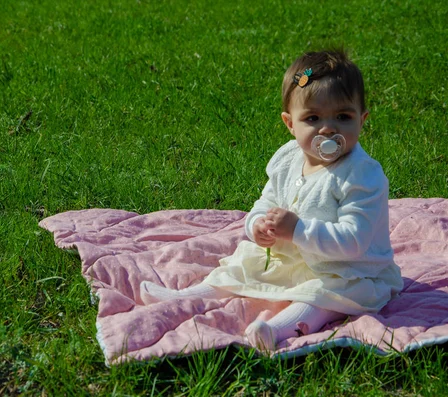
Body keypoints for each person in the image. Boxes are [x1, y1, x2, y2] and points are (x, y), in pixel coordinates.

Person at [140, 50, 403, 351]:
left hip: (349, 270)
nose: (328, 129)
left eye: (343, 117)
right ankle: (193, 296)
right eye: (313, 118)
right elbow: (266, 201)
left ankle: (277, 330)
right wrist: (258, 225)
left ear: (362, 119)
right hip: (295, 257)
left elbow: (354, 241)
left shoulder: (361, 175)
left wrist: (298, 230)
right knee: (245, 260)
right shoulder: (288, 159)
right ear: (290, 123)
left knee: (325, 295)